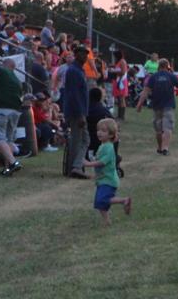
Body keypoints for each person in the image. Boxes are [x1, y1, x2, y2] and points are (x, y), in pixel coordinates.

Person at [82, 118, 131, 226]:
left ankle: (123, 200)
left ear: (111, 135)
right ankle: (107, 220)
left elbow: (103, 162)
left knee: (102, 200)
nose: (99, 132)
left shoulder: (108, 147)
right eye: (98, 130)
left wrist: (88, 164)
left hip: (109, 180)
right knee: (100, 202)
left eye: (103, 131)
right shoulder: (102, 146)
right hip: (102, 179)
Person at [136, 58, 178, 155]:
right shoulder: (171, 76)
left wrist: (139, 104)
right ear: (168, 66)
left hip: (156, 106)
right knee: (167, 128)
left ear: (158, 66)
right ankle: (165, 148)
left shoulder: (153, 77)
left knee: (158, 129)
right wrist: (173, 74)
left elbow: (145, 91)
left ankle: (159, 148)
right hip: (169, 105)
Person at [63, 47, 91, 178]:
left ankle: (75, 166)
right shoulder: (74, 71)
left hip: (79, 110)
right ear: (75, 55)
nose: (84, 56)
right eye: (81, 54)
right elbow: (74, 95)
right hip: (76, 112)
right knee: (79, 140)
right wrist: (80, 114)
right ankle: (75, 167)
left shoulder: (79, 70)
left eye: (86, 54)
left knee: (82, 139)